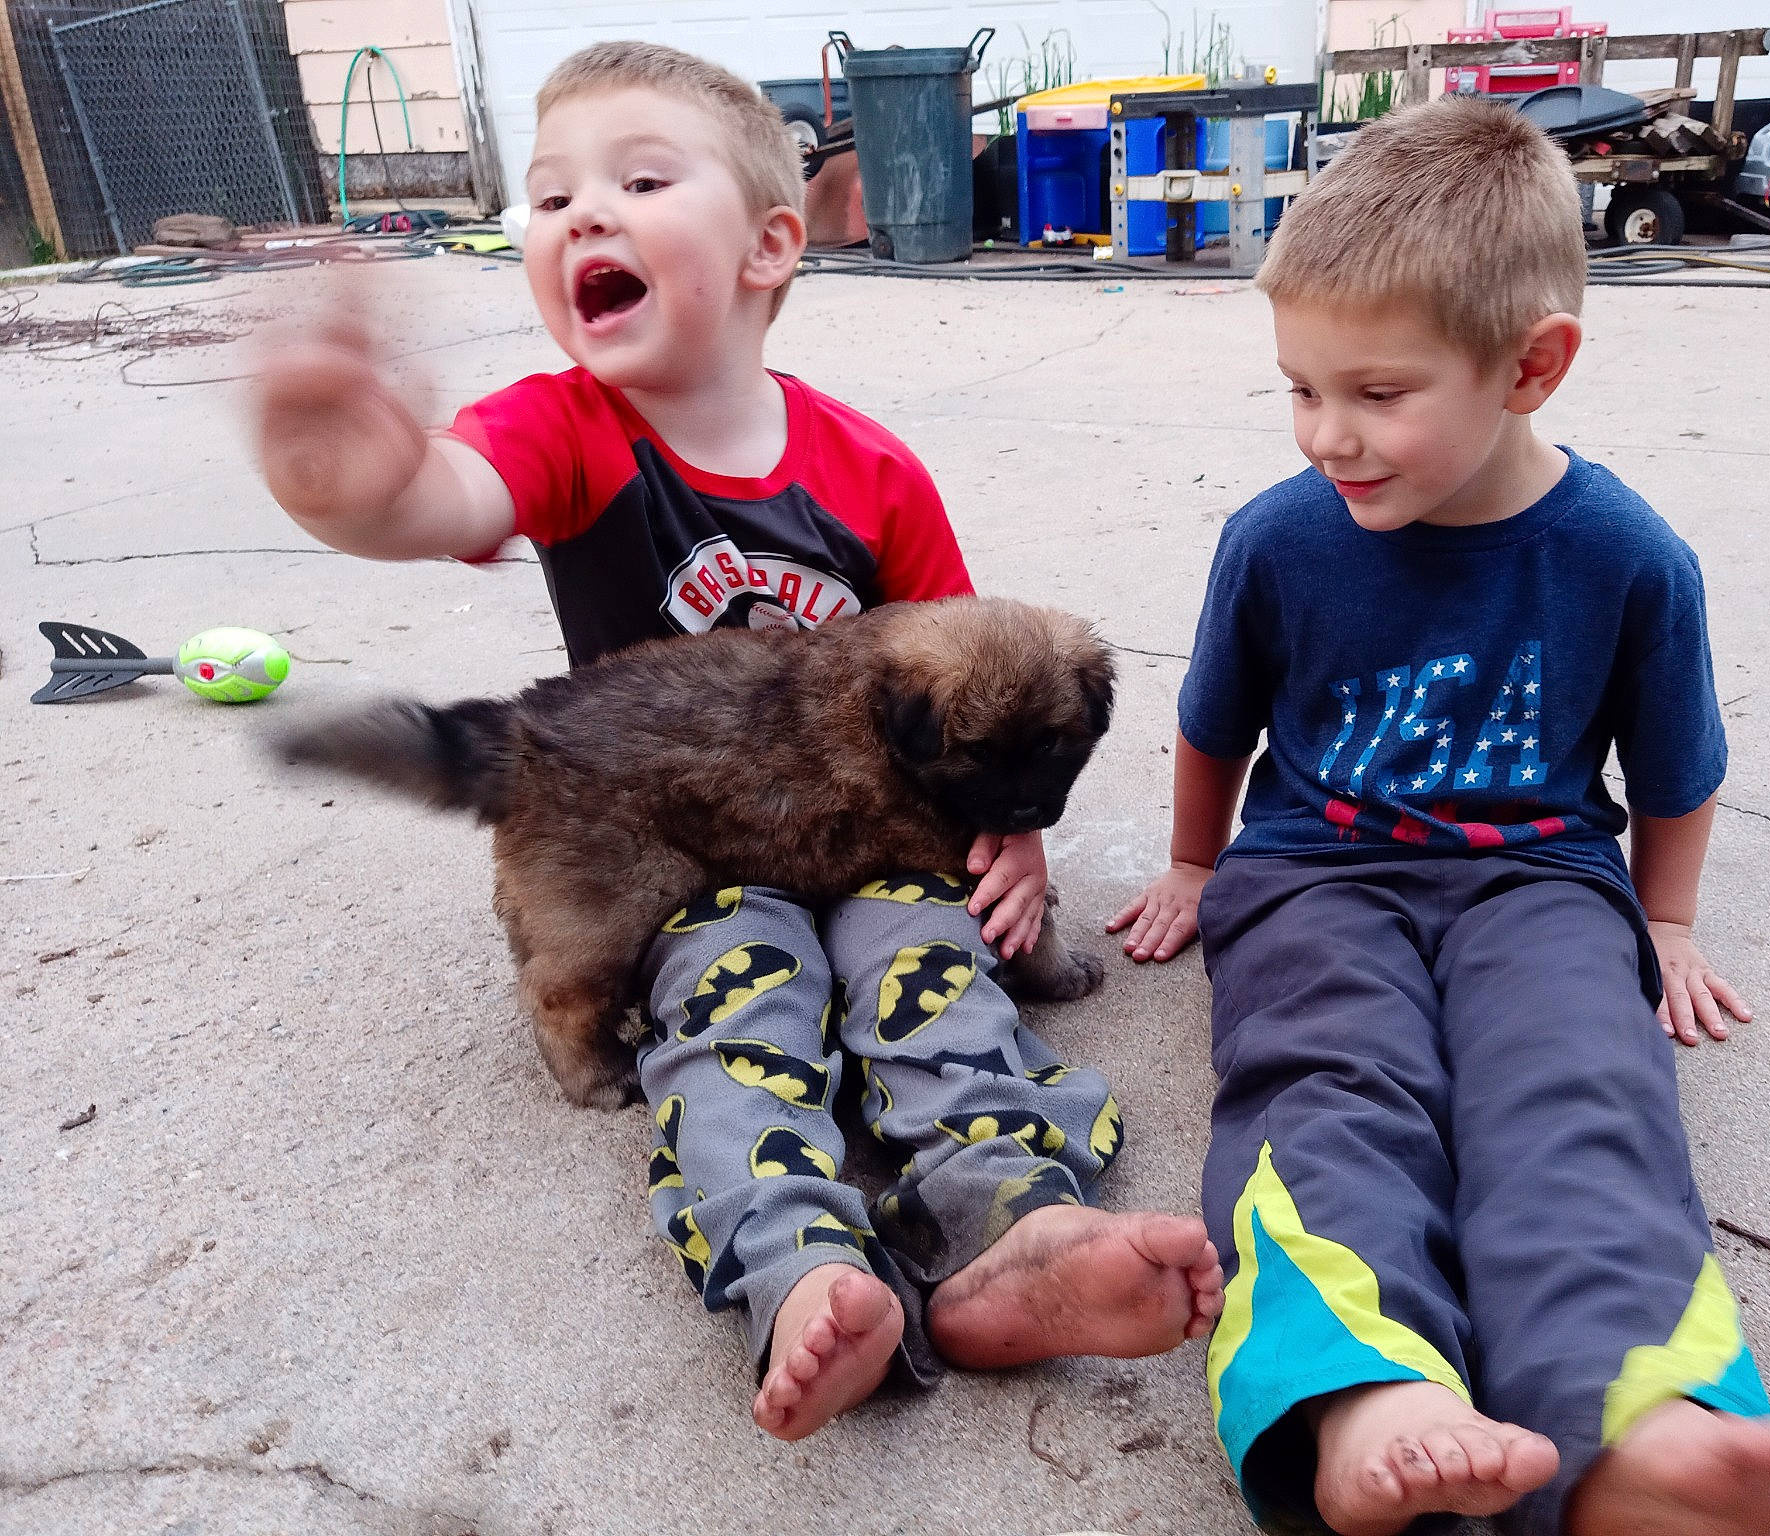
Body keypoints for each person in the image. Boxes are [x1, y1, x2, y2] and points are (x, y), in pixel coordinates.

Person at [255, 40, 1221, 1444]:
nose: (583, 213)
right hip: (681, 843)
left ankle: (1017, 1223)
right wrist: (341, 468)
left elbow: (985, 696)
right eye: (549, 196)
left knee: (938, 975)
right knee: (730, 1016)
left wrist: (1014, 836)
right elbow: (440, 500)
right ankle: (805, 1270)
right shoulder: (564, 430)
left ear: (774, 244)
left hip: (884, 841)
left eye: (640, 180)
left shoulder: (871, 468)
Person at [1108, 97, 1770, 1536]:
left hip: (1544, 883)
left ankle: (1638, 1417)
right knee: (1326, 1082)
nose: (1330, 434)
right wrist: (1198, 864)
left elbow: (1676, 769)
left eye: (1376, 393)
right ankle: (1365, 1388)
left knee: (1580, 1095)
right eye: (1299, 390)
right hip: (1313, 876)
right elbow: (1214, 724)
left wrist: (1669, 921)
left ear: (1532, 366)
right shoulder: (1278, 537)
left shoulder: (1629, 556)